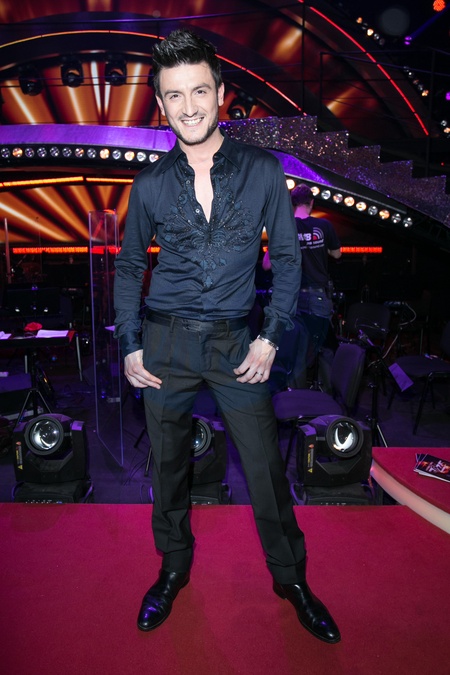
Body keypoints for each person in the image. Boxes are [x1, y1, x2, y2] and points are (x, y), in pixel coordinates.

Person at [113, 29, 340, 644]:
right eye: (174, 95)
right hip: (164, 346)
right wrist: (130, 343)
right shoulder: (149, 185)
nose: (188, 107)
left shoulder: (264, 171)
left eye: (199, 91)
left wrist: (271, 337)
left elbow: (287, 261)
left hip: (239, 346)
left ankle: (292, 580)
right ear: (161, 105)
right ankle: (173, 569)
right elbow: (130, 267)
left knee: (265, 469)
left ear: (220, 94)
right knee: (168, 469)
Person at [263, 183, 341, 391]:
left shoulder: (285, 228)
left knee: (297, 349)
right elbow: (337, 254)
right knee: (325, 348)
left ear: (292, 203)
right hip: (317, 295)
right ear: (311, 203)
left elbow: (267, 264)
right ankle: (329, 397)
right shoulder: (324, 226)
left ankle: (296, 398)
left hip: (292, 299)